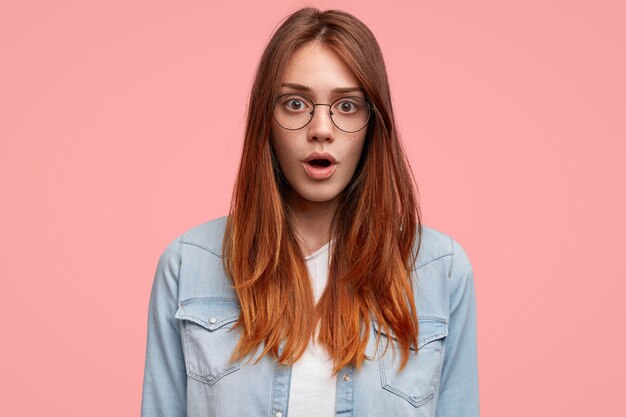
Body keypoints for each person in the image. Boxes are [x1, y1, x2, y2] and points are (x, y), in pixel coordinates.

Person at [140, 7, 479, 417]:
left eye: (348, 105)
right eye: (296, 103)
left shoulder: (442, 271)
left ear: (375, 123)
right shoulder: (186, 264)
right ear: (267, 120)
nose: (321, 128)